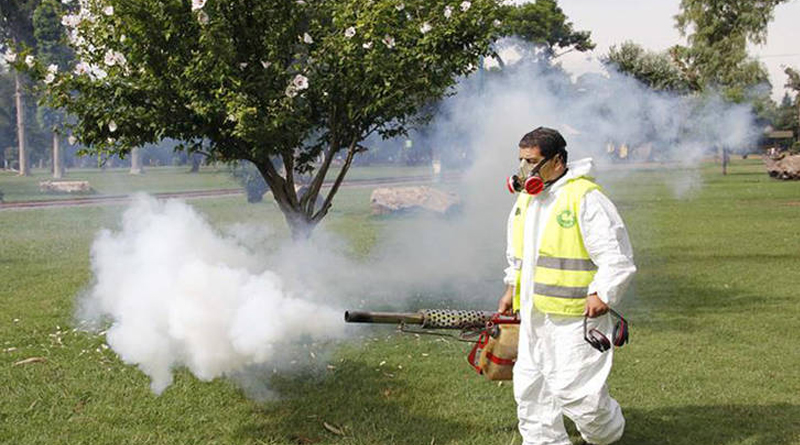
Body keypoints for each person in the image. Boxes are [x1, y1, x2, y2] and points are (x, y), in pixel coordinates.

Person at [497, 127, 636, 445]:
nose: (524, 170)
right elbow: (519, 253)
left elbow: (616, 256)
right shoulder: (527, 199)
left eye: (532, 161)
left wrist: (603, 293)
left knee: (579, 395)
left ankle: (608, 433)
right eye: (521, 161)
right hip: (535, 314)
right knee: (532, 390)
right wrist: (510, 287)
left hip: (575, 318)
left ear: (557, 160)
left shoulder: (586, 199)